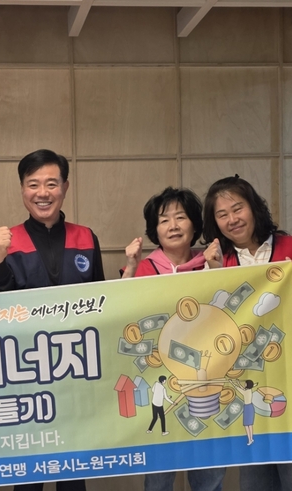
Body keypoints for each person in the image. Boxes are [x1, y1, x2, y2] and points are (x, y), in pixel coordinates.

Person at [203, 175, 292, 491]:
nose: (232, 219)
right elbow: (212, 329)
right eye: (222, 214)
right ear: (214, 222)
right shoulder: (218, 261)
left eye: (238, 208)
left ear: (254, 207)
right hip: (247, 387)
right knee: (256, 480)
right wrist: (216, 275)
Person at [0, 149, 104, 491]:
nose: (43, 193)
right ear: (22, 189)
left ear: (65, 187)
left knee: (73, 470)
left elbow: (100, 303)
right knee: (29, 472)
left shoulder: (86, 237)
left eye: (51, 184)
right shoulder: (6, 241)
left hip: (75, 371)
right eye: (33, 184)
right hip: (24, 373)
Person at [124, 187, 225, 491]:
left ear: (195, 224)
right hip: (159, 377)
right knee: (158, 478)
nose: (173, 226)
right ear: (154, 230)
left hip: (206, 377)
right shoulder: (143, 268)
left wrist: (216, 270)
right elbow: (121, 314)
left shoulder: (211, 262)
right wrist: (130, 267)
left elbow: (228, 312)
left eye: (181, 217)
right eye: (164, 220)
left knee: (209, 475)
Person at [233, 380, 255, 446]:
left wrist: (232, 383)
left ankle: (249, 440)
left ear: (247, 384)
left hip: (247, 408)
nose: (244, 384)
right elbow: (243, 389)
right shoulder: (249, 390)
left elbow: (239, 389)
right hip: (250, 407)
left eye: (245, 383)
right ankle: (251, 438)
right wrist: (238, 383)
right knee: (250, 424)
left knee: (246, 425)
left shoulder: (246, 392)